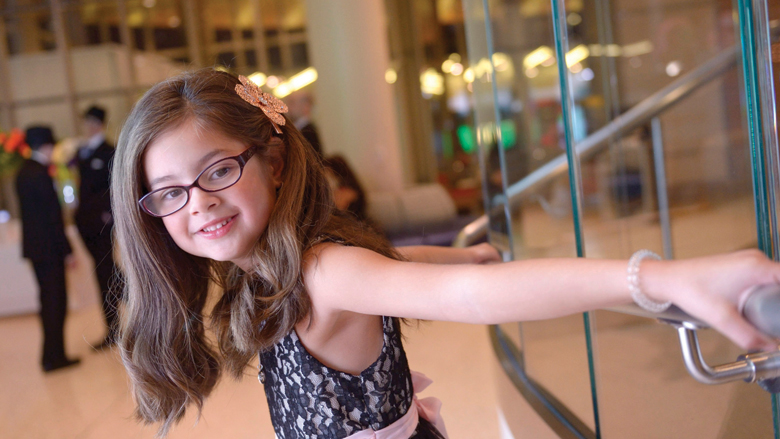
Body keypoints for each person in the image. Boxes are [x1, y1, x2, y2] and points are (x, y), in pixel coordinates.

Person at [111, 69, 779, 438]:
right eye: (168, 192)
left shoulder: (323, 271)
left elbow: (470, 301)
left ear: (276, 161)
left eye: (218, 170)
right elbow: (396, 266)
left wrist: (660, 276)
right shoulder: (271, 270)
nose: (197, 201)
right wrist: (458, 256)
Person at [16, 126, 80, 372]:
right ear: (46, 146)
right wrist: (67, 251)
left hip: (35, 249)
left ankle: (50, 355)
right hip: (50, 249)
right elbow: (52, 218)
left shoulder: (24, 172)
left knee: (47, 301)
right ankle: (55, 357)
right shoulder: (41, 173)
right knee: (56, 301)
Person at [74, 105, 121, 349]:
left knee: (107, 274)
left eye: (92, 121)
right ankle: (114, 327)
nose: (88, 126)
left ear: (100, 124)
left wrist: (108, 215)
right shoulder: (83, 151)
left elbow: (113, 187)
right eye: (86, 121)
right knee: (106, 274)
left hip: (101, 224)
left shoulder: (109, 150)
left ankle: (114, 329)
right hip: (86, 224)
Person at [286, 89, 323, 157]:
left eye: (292, 103)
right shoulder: (300, 130)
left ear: (306, 106)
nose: (287, 107)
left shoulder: (309, 132)